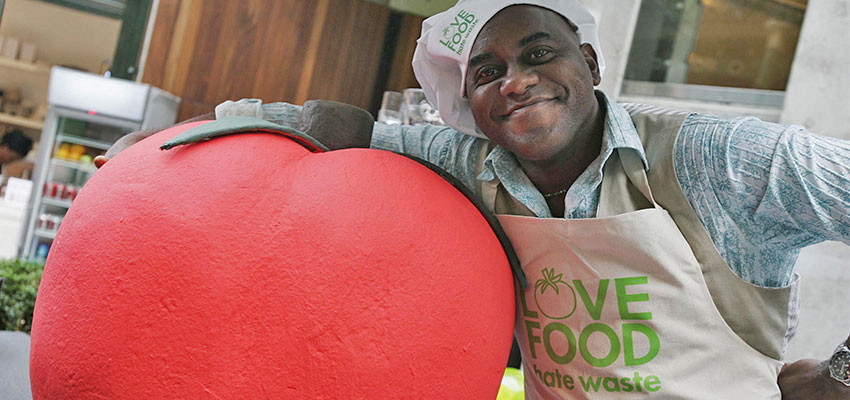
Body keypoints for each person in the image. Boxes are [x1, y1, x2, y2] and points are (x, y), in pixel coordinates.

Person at [96, 0, 850, 398]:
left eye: (538, 53)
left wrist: (840, 376)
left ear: (587, 60)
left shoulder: (721, 157)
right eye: (485, 72)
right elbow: (345, 126)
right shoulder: (474, 165)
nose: (513, 80)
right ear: (470, 105)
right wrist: (192, 132)